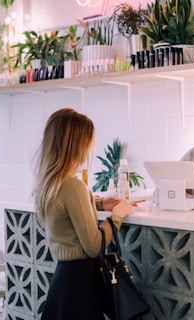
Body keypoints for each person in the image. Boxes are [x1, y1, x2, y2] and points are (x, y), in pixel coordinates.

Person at [32, 108, 134, 320]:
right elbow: (94, 246)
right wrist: (117, 215)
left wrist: (96, 203)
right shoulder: (73, 186)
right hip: (80, 284)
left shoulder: (49, 183)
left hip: (63, 280)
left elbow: (64, 210)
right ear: (77, 145)